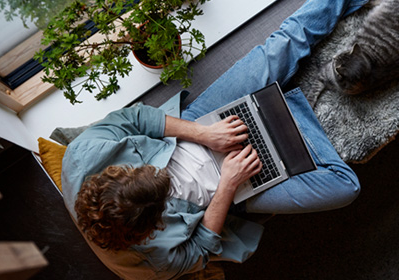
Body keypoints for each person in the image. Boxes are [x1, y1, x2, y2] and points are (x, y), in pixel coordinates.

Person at [61, 0, 368, 278]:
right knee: (344, 187)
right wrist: (228, 185)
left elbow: (136, 118)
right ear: (152, 229)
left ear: (117, 171)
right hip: (232, 193)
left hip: (200, 127)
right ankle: (285, 105)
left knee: (283, 44)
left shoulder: (83, 154)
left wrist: (205, 133)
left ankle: (274, 102)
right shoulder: (153, 265)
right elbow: (202, 248)